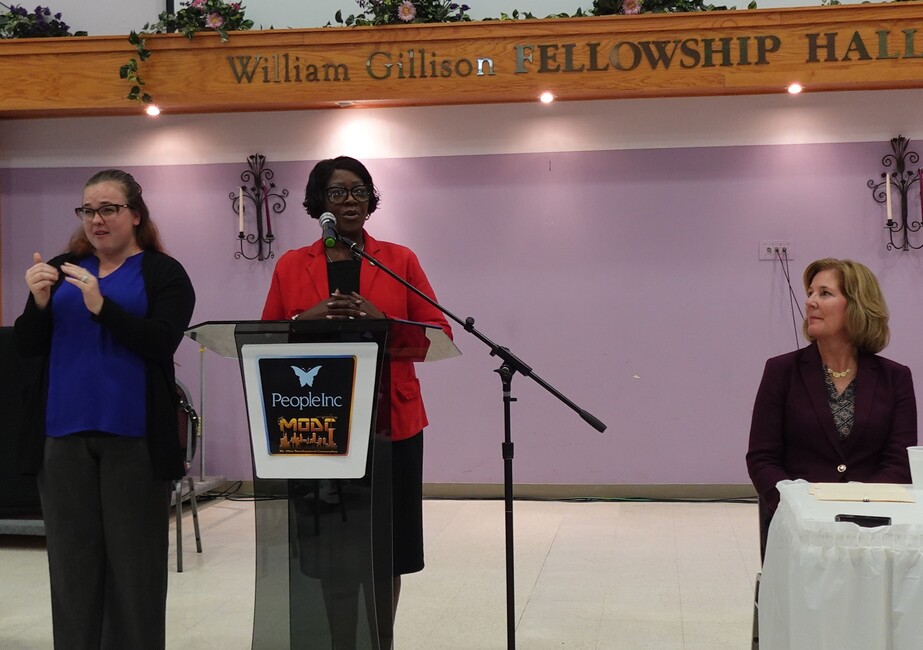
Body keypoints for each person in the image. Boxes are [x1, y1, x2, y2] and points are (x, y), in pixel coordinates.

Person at [261, 155, 453, 620]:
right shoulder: (291, 265)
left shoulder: (399, 259)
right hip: (320, 422)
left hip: (392, 422)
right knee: (332, 549)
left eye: (360, 190)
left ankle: (382, 640)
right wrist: (297, 321)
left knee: (390, 545)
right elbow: (263, 341)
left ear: (371, 201)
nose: (351, 200)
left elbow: (438, 335)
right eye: (338, 192)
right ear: (319, 202)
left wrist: (381, 321)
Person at [15, 169, 195, 649]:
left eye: (108, 209)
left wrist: (103, 306)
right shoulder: (62, 267)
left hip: (133, 440)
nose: (96, 220)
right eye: (88, 210)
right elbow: (28, 347)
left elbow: (160, 341)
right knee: (72, 572)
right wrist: (36, 303)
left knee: (135, 572)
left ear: (135, 214)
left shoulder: (164, 273)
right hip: (62, 438)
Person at [746, 258, 916, 553]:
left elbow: (899, 462)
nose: (810, 302)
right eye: (810, 293)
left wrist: (857, 510)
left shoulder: (895, 377)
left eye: (824, 293)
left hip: (875, 532)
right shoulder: (781, 371)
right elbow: (762, 458)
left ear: (857, 305)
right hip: (799, 530)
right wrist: (798, 510)